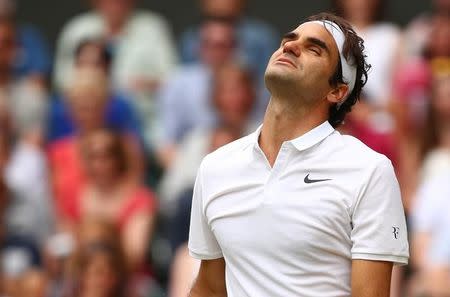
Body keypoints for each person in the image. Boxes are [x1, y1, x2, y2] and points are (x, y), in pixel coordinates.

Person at [188, 12, 409, 297]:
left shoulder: (370, 170)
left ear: (337, 91)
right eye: (288, 40)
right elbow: (209, 287)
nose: (290, 47)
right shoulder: (215, 166)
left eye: (314, 48)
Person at [53, 0, 177, 150]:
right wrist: (91, 89)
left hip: (147, 115)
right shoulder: (77, 29)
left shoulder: (153, 27)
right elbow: (62, 80)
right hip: (84, 112)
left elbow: (173, 80)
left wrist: (145, 84)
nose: (115, 4)